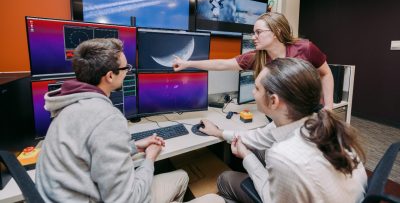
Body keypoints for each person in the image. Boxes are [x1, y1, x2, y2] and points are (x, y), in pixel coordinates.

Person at [35, 38, 224, 203]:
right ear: (110, 76)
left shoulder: (66, 104)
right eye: (126, 68)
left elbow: (92, 154)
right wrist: (149, 159)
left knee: (181, 176)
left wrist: (133, 146)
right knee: (214, 198)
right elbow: (127, 199)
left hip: (79, 195)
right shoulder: (107, 117)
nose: (128, 72)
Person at [199, 58, 367, 203]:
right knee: (258, 149)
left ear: (273, 101)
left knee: (225, 179)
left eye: (257, 88)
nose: (253, 92)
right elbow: (256, 136)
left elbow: (270, 198)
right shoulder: (323, 122)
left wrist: (247, 157)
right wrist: (219, 132)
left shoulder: (284, 155)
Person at [173, 12, 334, 109]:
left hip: (308, 110)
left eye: (258, 32)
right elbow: (222, 63)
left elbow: (326, 73)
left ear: (276, 32)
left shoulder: (305, 48)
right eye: (253, 33)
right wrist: (188, 63)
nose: (253, 37)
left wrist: (328, 106)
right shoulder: (257, 57)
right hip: (280, 114)